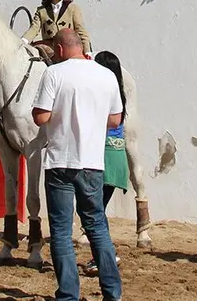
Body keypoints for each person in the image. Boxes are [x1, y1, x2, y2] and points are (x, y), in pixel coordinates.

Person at [31, 30, 124, 301]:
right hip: (92, 161)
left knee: (61, 230)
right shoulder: (106, 75)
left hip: (60, 159)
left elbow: (40, 117)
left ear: (59, 49)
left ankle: (69, 294)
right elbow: (115, 119)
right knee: (97, 225)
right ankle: (112, 292)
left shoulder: (54, 74)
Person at [83, 51, 131, 276]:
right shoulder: (118, 94)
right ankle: (105, 254)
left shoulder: (102, 93)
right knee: (97, 210)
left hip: (104, 156)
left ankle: (105, 256)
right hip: (117, 156)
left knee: (93, 211)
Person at [23, 0, 91, 55]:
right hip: (50, 50)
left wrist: (87, 51)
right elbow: (34, 28)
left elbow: (81, 31)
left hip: (70, 49)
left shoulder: (73, 8)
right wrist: (23, 41)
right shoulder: (41, 10)